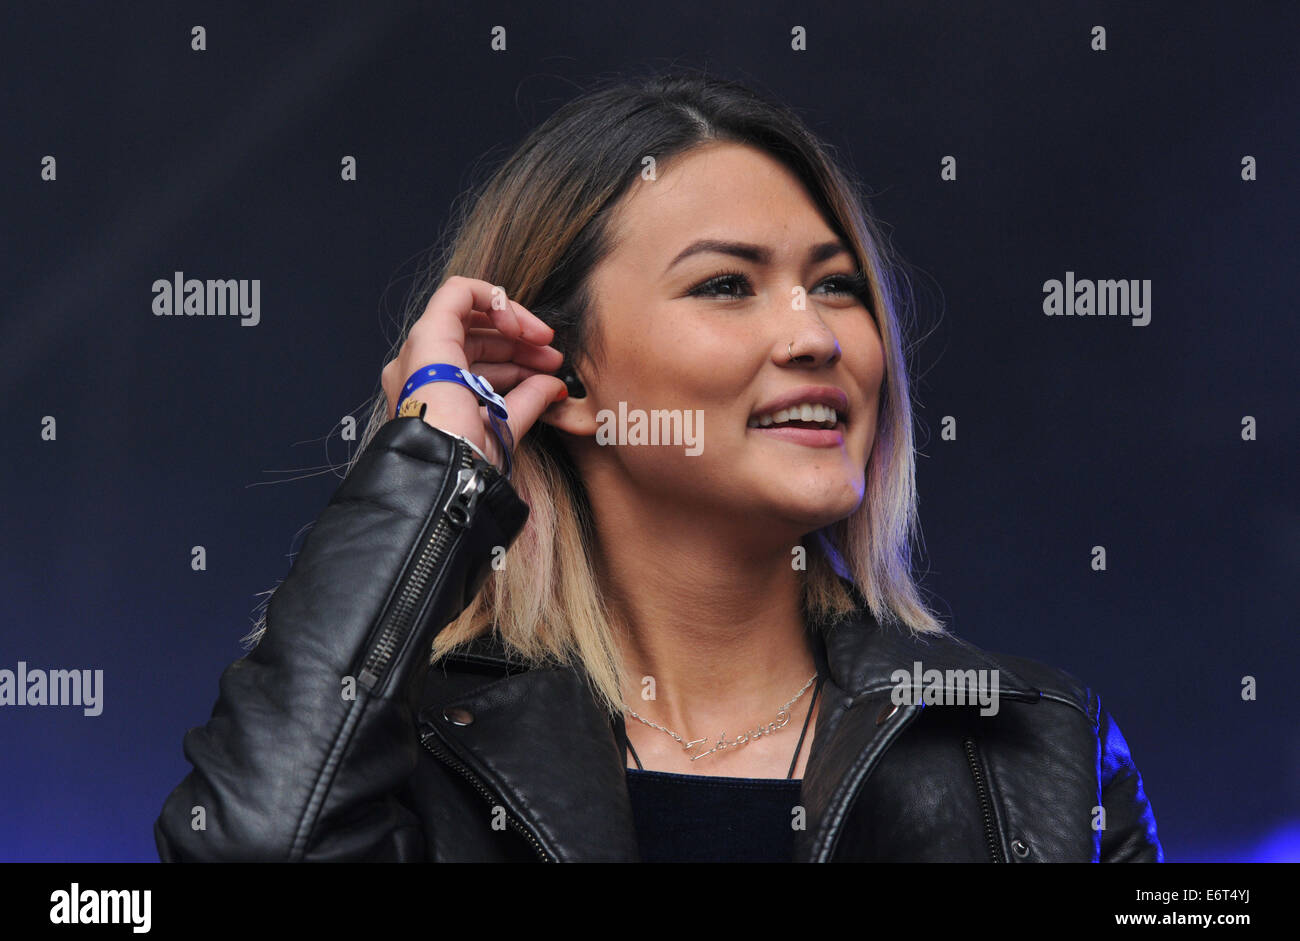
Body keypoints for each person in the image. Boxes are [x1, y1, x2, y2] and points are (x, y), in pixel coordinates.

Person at [154, 71, 1163, 862]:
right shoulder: (413, 754)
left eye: (837, 285)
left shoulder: (1035, 743)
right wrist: (436, 460)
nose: (814, 335)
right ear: (572, 379)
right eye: (727, 283)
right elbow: (256, 845)